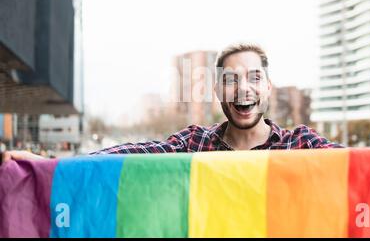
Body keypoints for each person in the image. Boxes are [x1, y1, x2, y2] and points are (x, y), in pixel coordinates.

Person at [1, 43, 342, 165]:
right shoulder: (194, 143)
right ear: (217, 90)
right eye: (230, 79)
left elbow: (362, 166)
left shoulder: (299, 144)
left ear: (267, 87)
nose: (243, 89)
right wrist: (45, 165)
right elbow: (129, 155)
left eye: (254, 78)